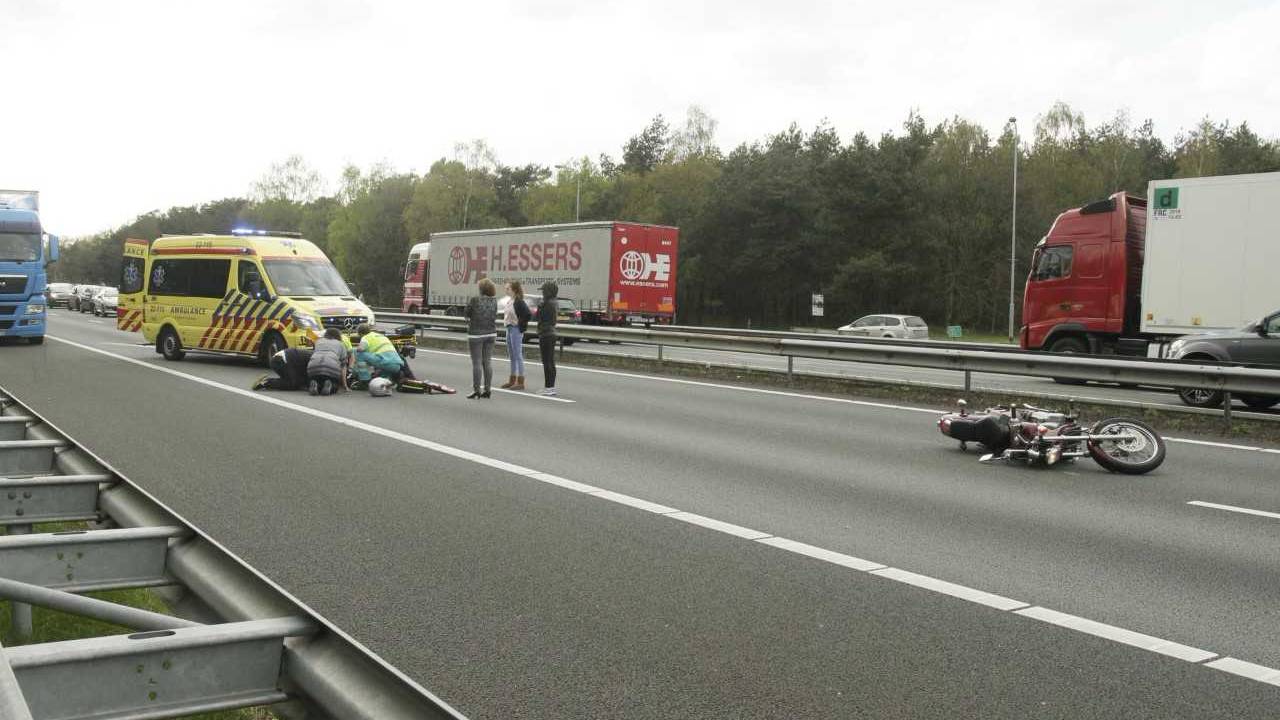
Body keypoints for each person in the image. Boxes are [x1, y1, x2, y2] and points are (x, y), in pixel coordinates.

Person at [463, 277, 497, 399]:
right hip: (491, 333)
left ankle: (477, 390)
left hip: (476, 334)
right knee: (487, 362)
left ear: (481, 289)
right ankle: (487, 390)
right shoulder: (494, 301)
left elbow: (466, 314)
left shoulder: (475, 300)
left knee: (477, 362)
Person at [500, 281, 531, 390]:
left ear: (514, 290)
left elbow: (528, 314)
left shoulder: (518, 301)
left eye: (508, 288)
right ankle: (512, 380)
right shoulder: (510, 301)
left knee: (518, 355)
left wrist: (519, 323)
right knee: (512, 355)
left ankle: (520, 381)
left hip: (515, 329)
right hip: (509, 328)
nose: (506, 290)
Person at [307, 327, 350, 396]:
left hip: (313, 366)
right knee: (335, 385)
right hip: (331, 367)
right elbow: (343, 366)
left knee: (317, 377)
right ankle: (331, 385)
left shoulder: (318, 341)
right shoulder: (341, 344)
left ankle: (315, 383)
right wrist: (345, 385)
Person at [537, 280, 559, 396]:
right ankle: (550, 387)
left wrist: (540, 307)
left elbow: (540, 318)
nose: (542, 293)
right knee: (550, 361)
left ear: (548, 291)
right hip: (551, 333)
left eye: (544, 291)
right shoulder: (554, 302)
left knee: (547, 362)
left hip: (546, 333)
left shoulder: (547, 304)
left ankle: (549, 387)